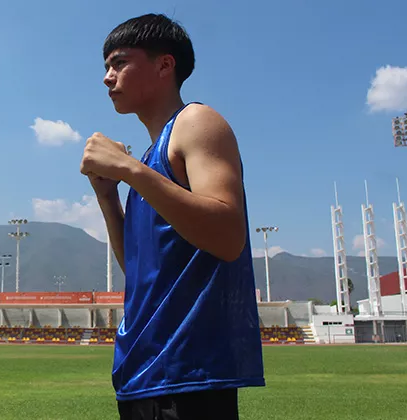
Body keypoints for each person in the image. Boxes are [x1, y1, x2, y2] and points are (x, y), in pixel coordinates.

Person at [79, 13, 265, 420]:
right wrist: (109, 197)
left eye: (119, 63)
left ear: (165, 65)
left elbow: (228, 236)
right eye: (106, 66)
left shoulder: (196, 122)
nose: (107, 78)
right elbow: (140, 269)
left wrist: (129, 170)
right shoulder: (149, 160)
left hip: (188, 373)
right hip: (141, 371)